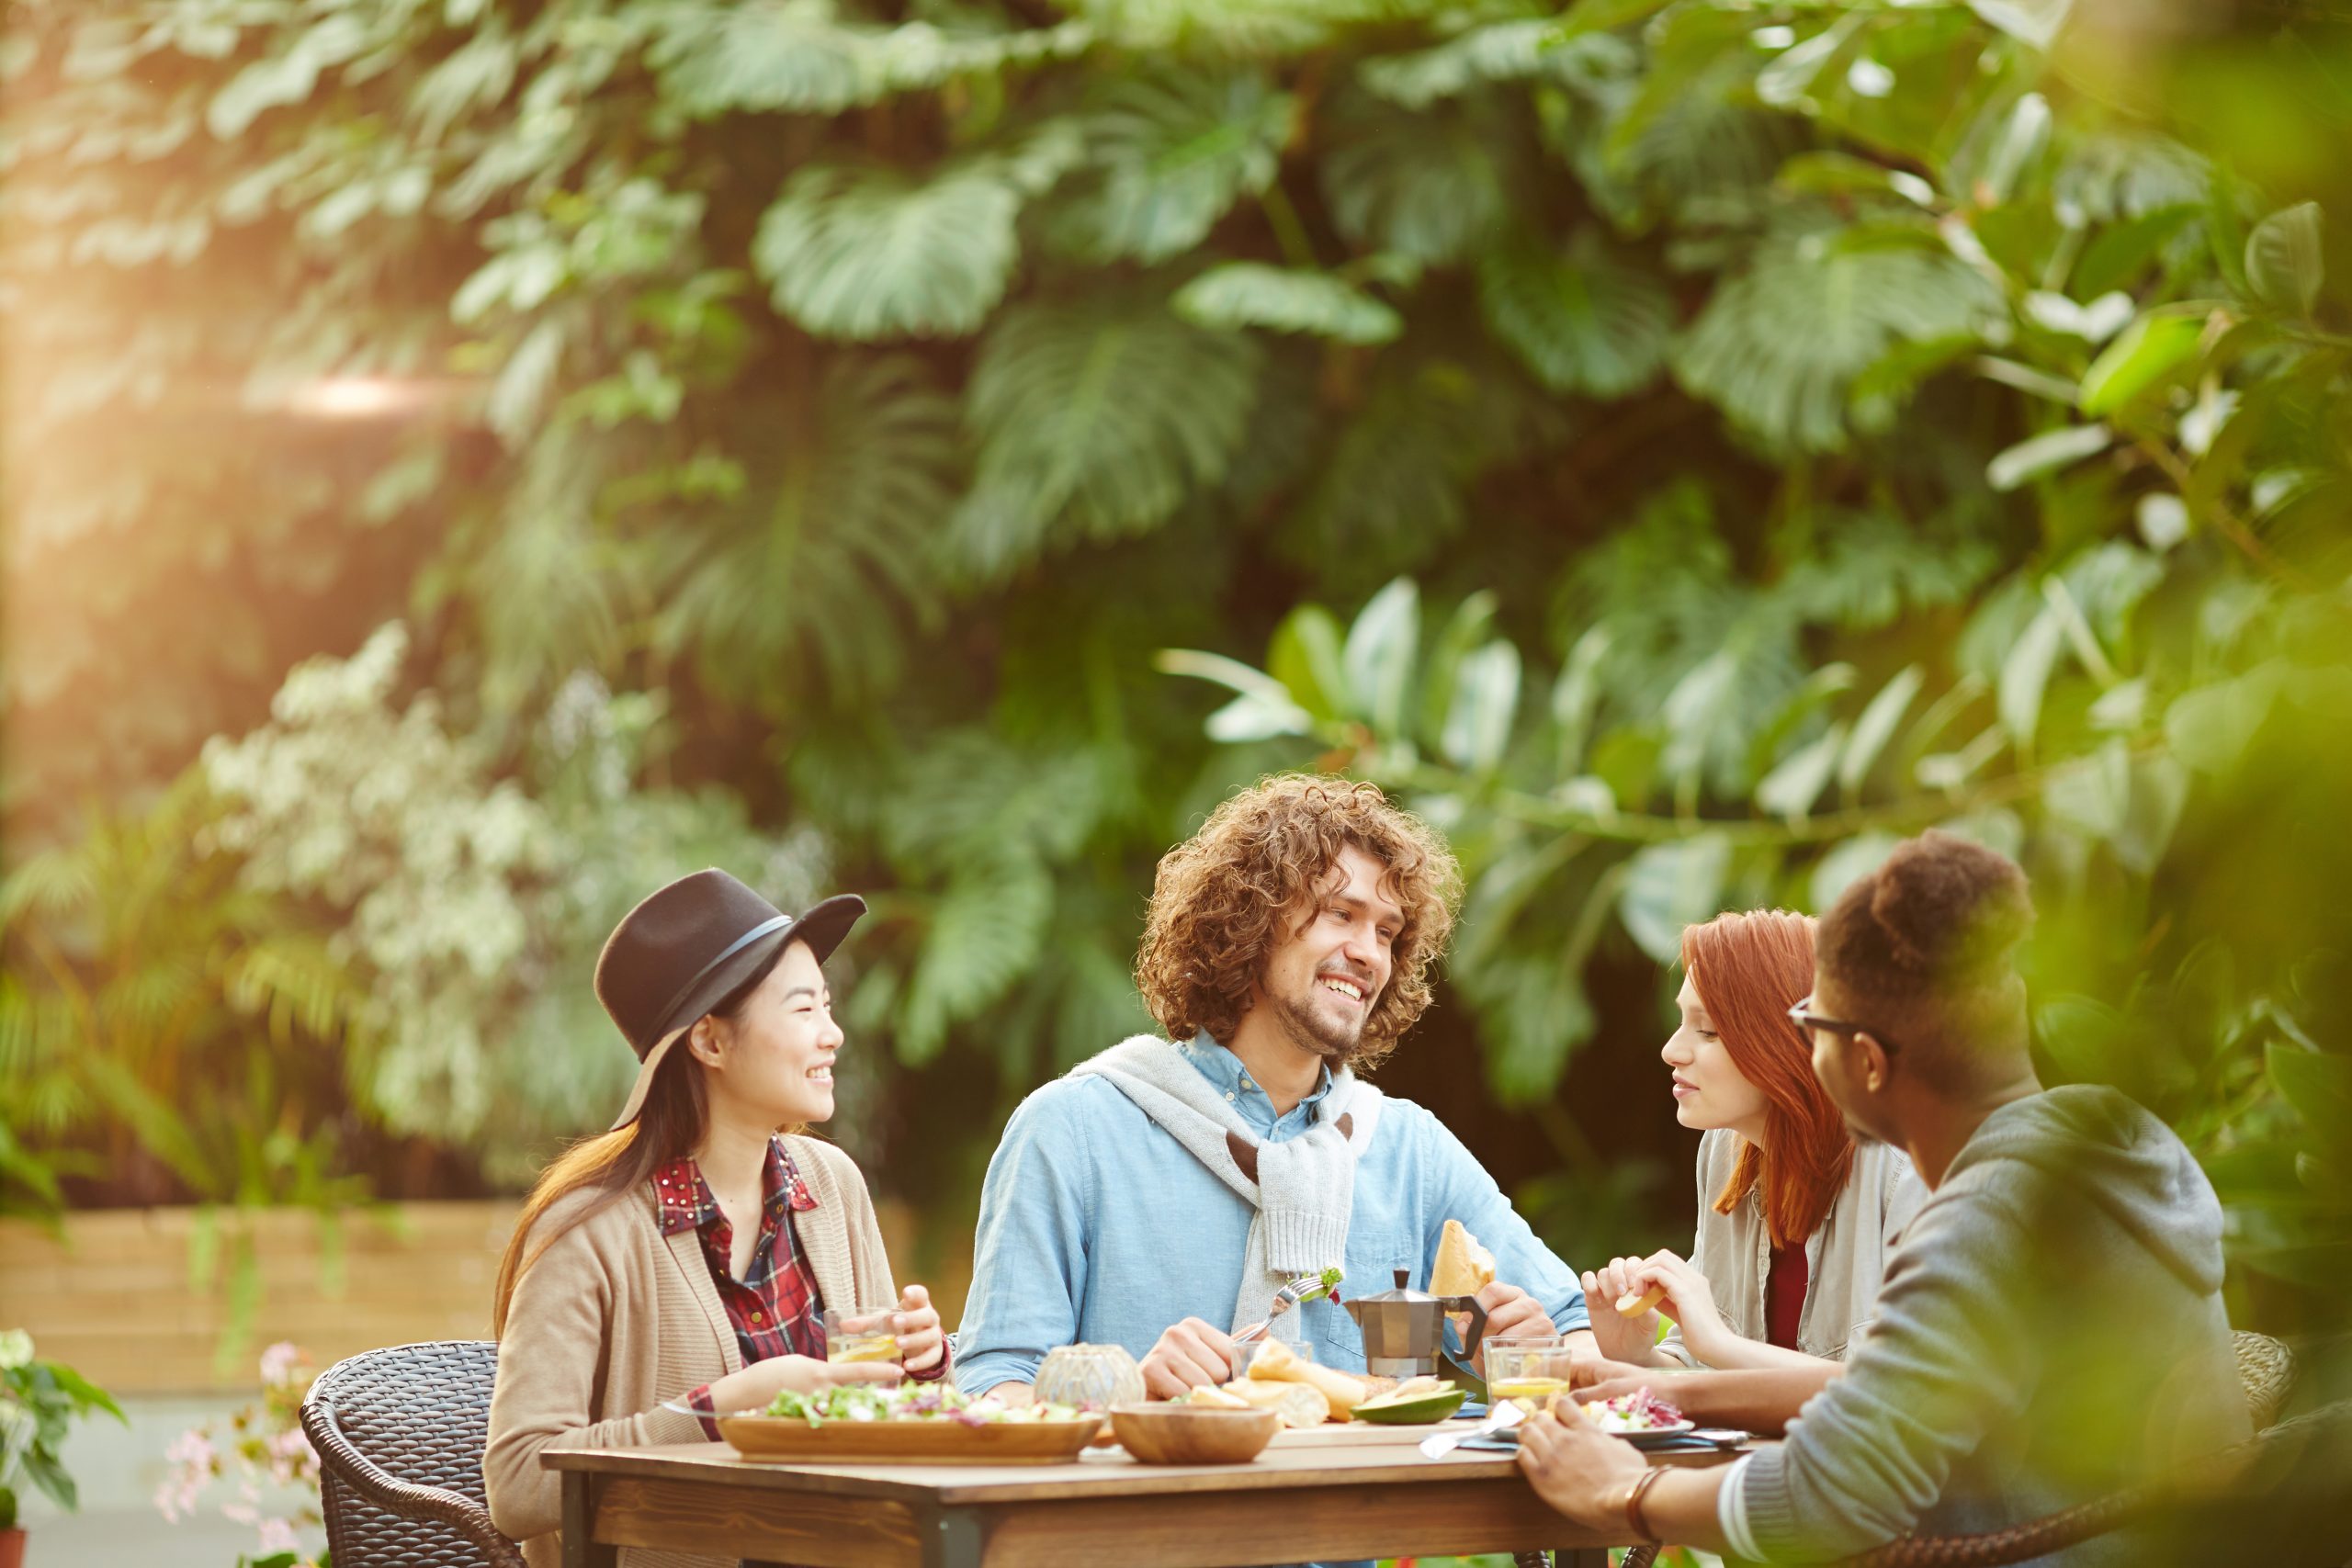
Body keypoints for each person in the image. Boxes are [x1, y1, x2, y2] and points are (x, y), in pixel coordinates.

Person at [1517, 831, 2247, 1565]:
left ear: (1865, 1060)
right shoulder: (2101, 1149)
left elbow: (1836, 1492)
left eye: (1813, 1028)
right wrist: (1667, 1388)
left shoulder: (1986, 1217)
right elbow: (1883, 1397)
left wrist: (1626, 1493)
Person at [954, 774, 1592, 1400]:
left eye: (1387, 932)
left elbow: (1572, 1332)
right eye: (1341, 913)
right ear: (1250, 920)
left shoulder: (1408, 1152)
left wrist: (1533, 1347)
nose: (1370, 953)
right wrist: (1129, 1393)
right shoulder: (1073, 1129)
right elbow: (994, 1385)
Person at [485, 870, 950, 1568]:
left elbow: (888, 1425)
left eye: (827, 1005)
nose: (833, 1034)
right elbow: (518, 1485)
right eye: (803, 1009)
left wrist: (924, 1366)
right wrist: (714, 1412)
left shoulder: (833, 1185)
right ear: (709, 1041)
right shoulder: (585, 1232)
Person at [1582, 910, 1922, 1371]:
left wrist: (1721, 1346)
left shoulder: (1909, 1165)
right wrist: (1641, 1356)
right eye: (1683, 1022)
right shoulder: (1727, 1149)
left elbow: (1912, 1396)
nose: (1671, 1050)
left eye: (1707, 1030)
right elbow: (1705, 1370)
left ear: (1784, 1041)